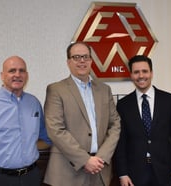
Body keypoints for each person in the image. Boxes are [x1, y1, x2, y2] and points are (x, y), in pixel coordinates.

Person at [43, 41, 121, 186]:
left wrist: (101, 157)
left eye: (85, 57)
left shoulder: (104, 90)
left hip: (100, 169)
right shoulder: (56, 90)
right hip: (68, 172)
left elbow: (115, 125)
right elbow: (55, 130)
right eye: (76, 57)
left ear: (91, 60)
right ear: (68, 62)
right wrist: (85, 160)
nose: (82, 61)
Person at [0, 56, 51, 186]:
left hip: (32, 177)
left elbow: (46, 136)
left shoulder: (34, 103)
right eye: (12, 70)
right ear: (2, 75)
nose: (17, 74)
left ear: (27, 75)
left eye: (21, 70)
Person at [113, 55, 171, 186]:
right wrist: (122, 173)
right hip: (135, 173)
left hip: (165, 171)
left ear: (151, 73)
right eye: (136, 72)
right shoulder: (123, 105)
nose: (141, 76)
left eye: (145, 71)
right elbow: (121, 142)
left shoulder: (169, 100)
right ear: (131, 75)